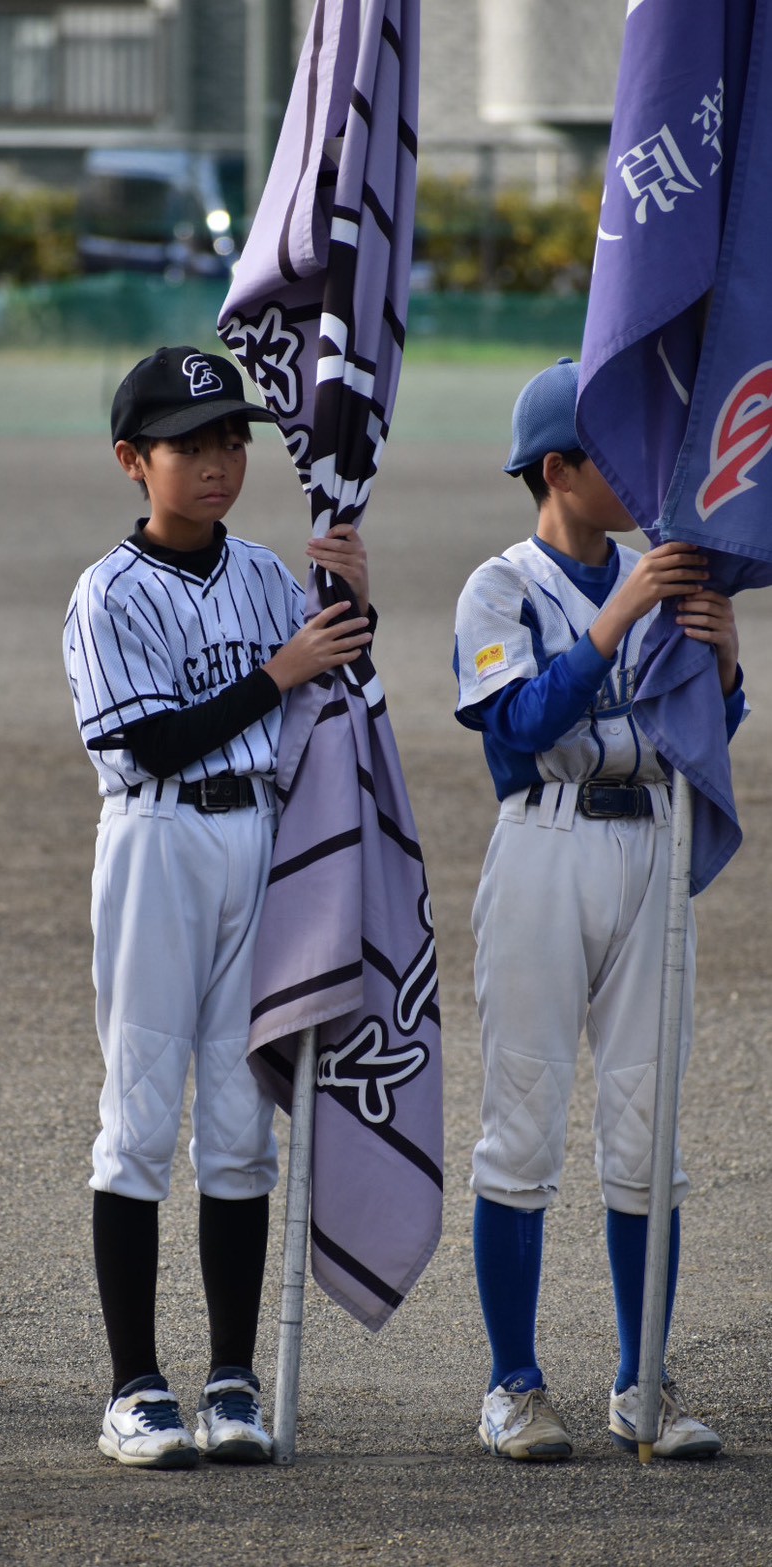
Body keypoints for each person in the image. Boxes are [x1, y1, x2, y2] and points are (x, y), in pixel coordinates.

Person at [63, 345, 373, 1468]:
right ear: (131, 461)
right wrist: (279, 670)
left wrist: (354, 604)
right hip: (157, 840)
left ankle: (231, 1380)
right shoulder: (107, 593)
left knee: (242, 1127)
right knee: (141, 1117)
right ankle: (135, 1388)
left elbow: (336, 681)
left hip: (262, 842)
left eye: (232, 440)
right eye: (190, 445)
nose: (218, 462)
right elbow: (150, 741)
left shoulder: (264, 575)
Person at [453, 357, 743, 1463]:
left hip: (651, 846)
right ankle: (512, 1385)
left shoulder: (665, 573)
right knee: (520, 1126)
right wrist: (618, 617)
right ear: (556, 470)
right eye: (611, 453)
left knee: (646, 1130)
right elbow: (518, 723)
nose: (637, 473)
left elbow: (703, 732)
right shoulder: (501, 585)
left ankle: (641, 1381)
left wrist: (725, 670)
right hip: (545, 840)